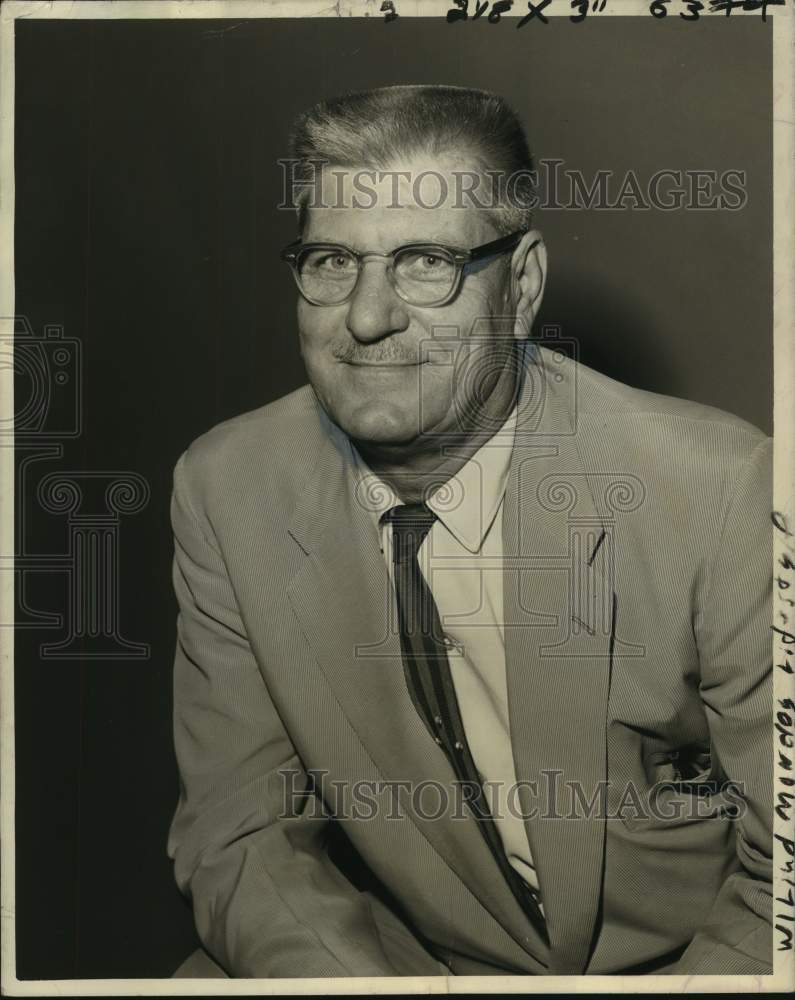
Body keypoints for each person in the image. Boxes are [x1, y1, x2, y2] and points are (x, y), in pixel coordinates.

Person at [167, 85, 773, 978]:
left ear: (520, 286)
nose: (367, 318)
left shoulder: (721, 488)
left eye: (424, 264)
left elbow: (783, 876)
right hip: (403, 957)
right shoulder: (228, 487)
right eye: (333, 261)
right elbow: (243, 831)